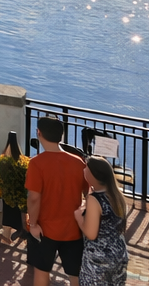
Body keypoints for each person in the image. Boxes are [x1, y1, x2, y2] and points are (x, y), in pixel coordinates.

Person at [27, 116, 88, 286]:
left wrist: (32, 225)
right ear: (61, 135)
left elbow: (33, 198)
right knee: (75, 275)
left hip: (45, 229)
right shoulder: (78, 162)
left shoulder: (36, 163)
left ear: (39, 133)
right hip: (73, 229)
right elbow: (89, 192)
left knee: (41, 271)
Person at [77, 155, 129, 286]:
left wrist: (79, 218)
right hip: (119, 254)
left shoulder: (95, 200)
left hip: (98, 259)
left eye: (86, 168)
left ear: (92, 174)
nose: (84, 170)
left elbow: (91, 233)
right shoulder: (117, 195)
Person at [0, 131, 26, 245]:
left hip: (6, 192)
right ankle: (18, 232)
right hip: (17, 193)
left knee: (7, 214)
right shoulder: (20, 159)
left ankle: (6, 237)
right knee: (16, 214)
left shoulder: (4, 157)